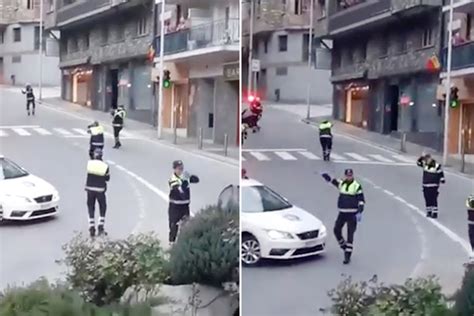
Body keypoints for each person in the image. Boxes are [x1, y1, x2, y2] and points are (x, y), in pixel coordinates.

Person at [321, 168, 365, 264]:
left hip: (352, 213)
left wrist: (360, 211)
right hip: (342, 213)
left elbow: (361, 199)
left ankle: (347, 256)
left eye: (350, 175)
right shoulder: (342, 184)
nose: (349, 177)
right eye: (347, 175)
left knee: (350, 234)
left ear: (352, 175)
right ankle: (343, 246)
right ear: (345, 176)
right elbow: (334, 182)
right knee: (336, 230)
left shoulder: (356, 186)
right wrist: (327, 177)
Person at [168, 160, 199, 245]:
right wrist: (185, 181)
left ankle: (184, 243)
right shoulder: (173, 179)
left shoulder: (184, 177)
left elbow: (197, 180)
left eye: (181, 169)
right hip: (175, 207)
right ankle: (172, 243)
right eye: (178, 169)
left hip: (185, 206)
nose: (180, 171)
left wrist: (191, 178)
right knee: (173, 225)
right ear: (174, 169)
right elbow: (179, 191)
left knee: (186, 225)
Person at [85, 148, 110, 237]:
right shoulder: (105, 166)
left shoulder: (89, 163)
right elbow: (107, 178)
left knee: (91, 207)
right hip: (100, 190)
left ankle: (91, 227)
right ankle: (100, 226)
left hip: (90, 190)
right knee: (102, 207)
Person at [416, 154, 445, 219]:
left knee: (433, 198)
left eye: (428, 159)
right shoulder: (425, 165)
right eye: (426, 159)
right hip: (426, 185)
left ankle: (435, 213)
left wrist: (442, 179)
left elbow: (440, 173)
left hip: (434, 185)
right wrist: (421, 157)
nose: (427, 160)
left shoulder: (436, 165)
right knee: (427, 198)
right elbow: (418, 163)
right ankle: (429, 212)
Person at [467, 195, 474, 263]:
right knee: (472, 238)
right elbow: (469, 210)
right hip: (471, 222)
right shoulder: (471, 198)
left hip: (471, 222)